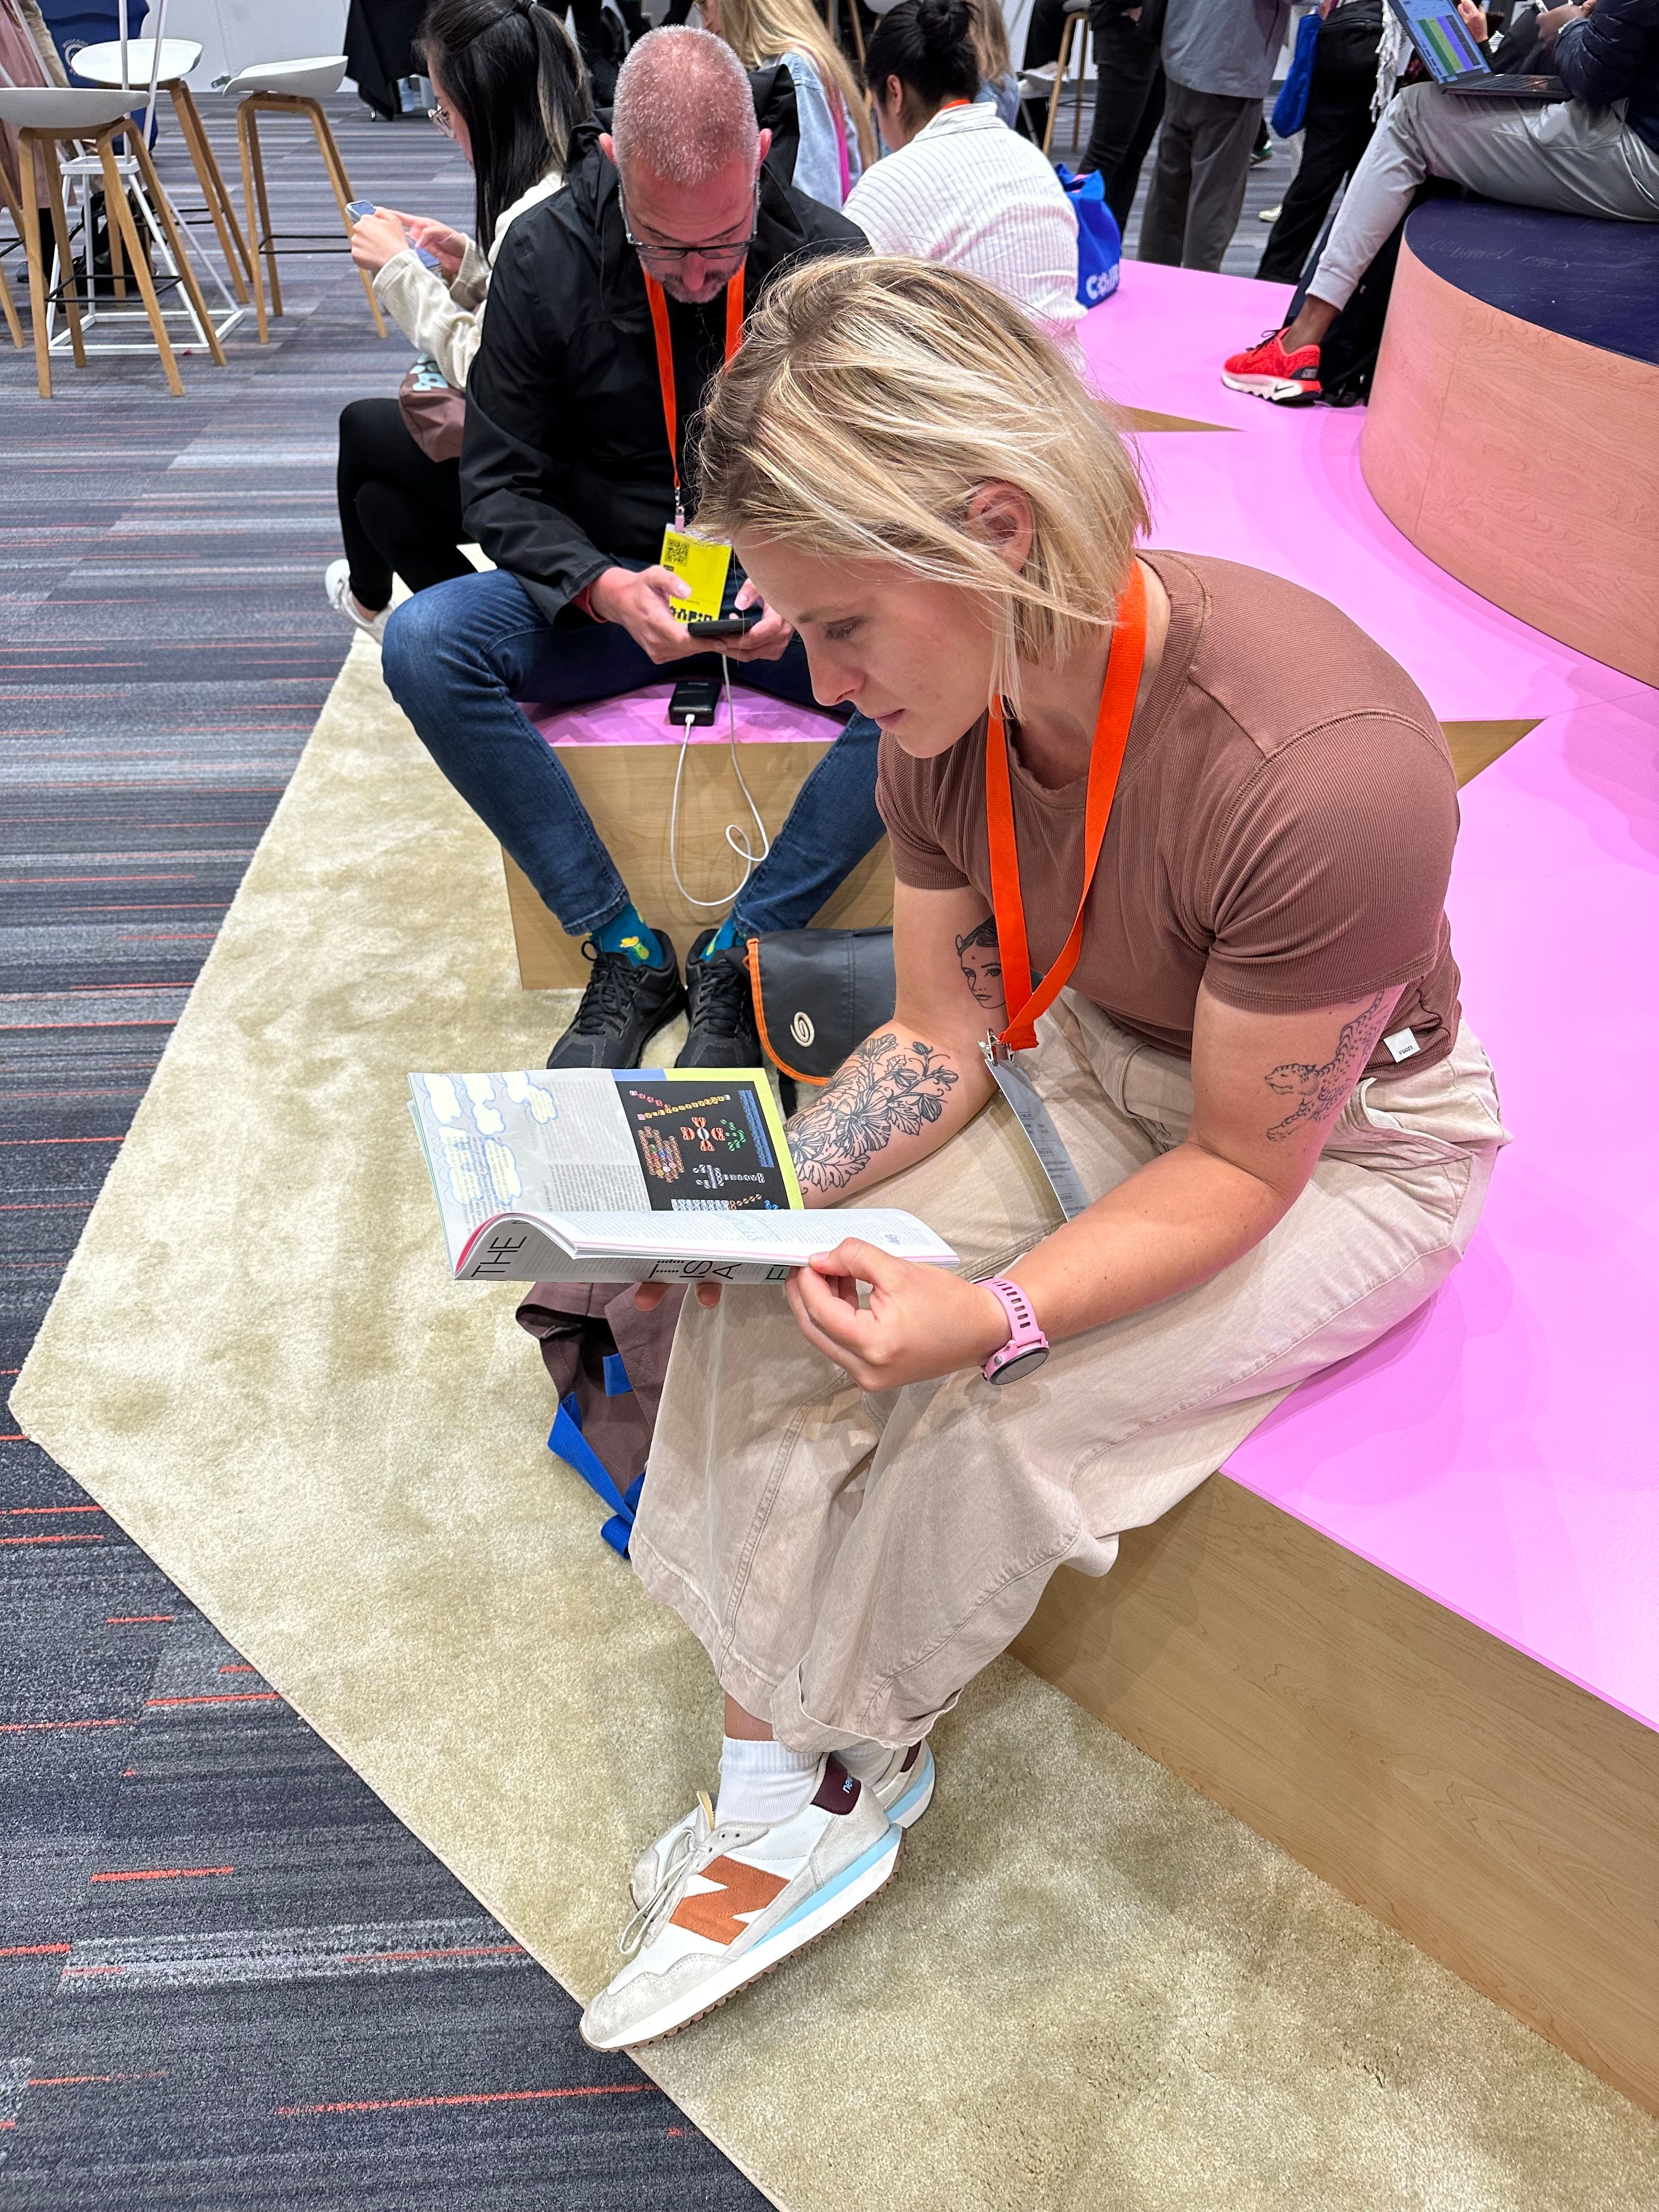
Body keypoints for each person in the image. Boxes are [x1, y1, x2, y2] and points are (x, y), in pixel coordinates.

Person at [574, 256, 1509, 2052]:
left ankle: (850, 1773)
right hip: (1088, 1048)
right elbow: (942, 1033)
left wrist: (993, 1314)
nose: (826, 680)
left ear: (994, 528)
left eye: (844, 625)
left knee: (995, 1411)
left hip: (1345, 1151)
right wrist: (748, 1197)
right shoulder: (948, 709)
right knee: (768, 1292)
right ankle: (774, 1780)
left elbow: (1242, 1169)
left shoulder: (1324, 773)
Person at [380, 29, 878, 1070]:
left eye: (723, 243)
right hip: (609, 596)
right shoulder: (545, 253)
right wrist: (602, 587)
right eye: (662, 247)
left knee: (954, 674)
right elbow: (499, 485)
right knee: (424, 644)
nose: (696, 277)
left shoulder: (828, 260)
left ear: (761, 159)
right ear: (613, 162)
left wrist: (806, 583)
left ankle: (742, 950)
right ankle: (622, 944)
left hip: (775, 597)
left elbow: (867, 480)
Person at [1223, 0, 1659, 400]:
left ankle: (1301, 340)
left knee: (1410, 115)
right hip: (1631, 135)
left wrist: (1568, 28)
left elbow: (1595, 78)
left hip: (1638, 154)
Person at [326, 0, 590, 645]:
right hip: (575, 440)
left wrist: (401, 275)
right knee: (380, 504)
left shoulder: (533, 214)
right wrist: (471, 268)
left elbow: (487, 371)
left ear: (487, 108)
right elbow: (539, 321)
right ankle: (468, 631)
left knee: (362, 430)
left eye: (444, 111)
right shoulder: (573, 171)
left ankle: (368, 602)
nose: (445, 128)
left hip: (558, 464)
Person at [845, 0, 1086, 362]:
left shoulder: (889, 185)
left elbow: (835, 316)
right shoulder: (1033, 160)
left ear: (894, 92)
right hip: (1067, 381)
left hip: (976, 392)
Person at [1138, 0, 1292, 270]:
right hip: (1231, 63)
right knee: (1215, 196)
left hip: (1182, 48)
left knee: (1169, 187)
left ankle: (1152, 282)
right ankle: (1198, 289)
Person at [1255, 0, 1384, 284]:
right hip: (1395, 56)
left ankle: (1274, 279)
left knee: (1316, 179)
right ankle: (1351, 289)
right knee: (1372, 194)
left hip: (1344, 36)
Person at [700, 0, 874, 206]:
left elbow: (811, 204)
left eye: (704, 4)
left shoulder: (793, 71)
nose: (705, 23)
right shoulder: (791, 66)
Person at [1075, 0, 1166, 238]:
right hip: (1125, 24)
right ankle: (1071, 244)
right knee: (1105, 153)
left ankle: (1110, 248)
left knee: (1133, 155)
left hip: (1160, 29)